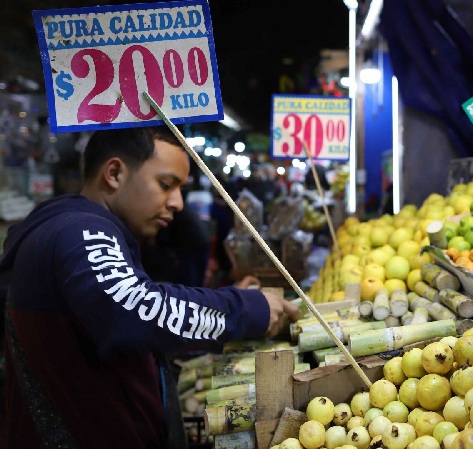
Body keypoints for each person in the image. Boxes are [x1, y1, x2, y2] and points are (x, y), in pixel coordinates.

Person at [0, 125, 300, 449]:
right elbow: (135, 309)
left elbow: (129, 302)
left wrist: (224, 299)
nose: (179, 203)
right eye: (166, 184)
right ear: (114, 173)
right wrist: (245, 309)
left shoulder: (83, 228)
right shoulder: (80, 231)